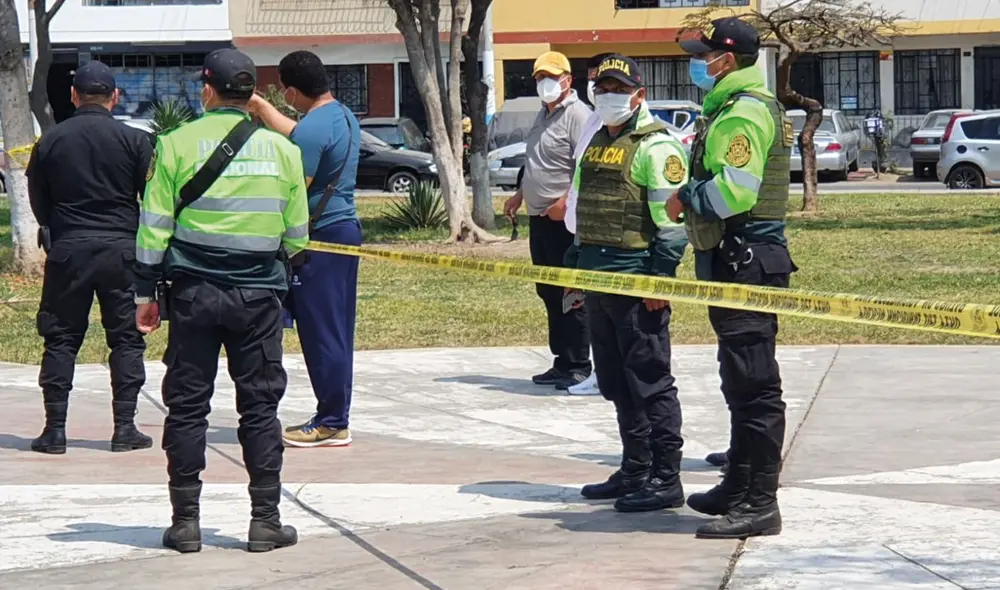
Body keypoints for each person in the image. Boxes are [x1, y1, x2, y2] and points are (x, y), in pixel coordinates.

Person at [134, 48, 310, 553]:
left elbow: (153, 229)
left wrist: (146, 293)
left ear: (206, 90)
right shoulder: (285, 152)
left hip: (192, 295)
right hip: (258, 298)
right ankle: (265, 521)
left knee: (188, 407)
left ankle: (185, 522)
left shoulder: (173, 145)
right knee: (259, 406)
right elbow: (297, 236)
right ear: (252, 93)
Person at [668, 17, 796, 539]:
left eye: (703, 55)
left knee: (755, 383)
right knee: (738, 377)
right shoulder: (732, 106)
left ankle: (760, 503)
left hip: (747, 256)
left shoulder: (742, 113)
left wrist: (687, 198)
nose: (697, 63)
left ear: (728, 59)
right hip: (739, 255)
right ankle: (739, 483)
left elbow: (735, 193)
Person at [569, 54, 690, 513]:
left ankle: (666, 476)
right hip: (598, 281)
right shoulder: (597, 140)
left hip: (637, 282)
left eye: (618, 88)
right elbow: (586, 210)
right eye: (601, 87)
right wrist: (574, 269)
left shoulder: (659, 147)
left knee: (650, 381)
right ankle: (635, 467)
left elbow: (673, 225)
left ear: (639, 95)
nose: (607, 95)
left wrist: (659, 281)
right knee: (617, 382)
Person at [26, 61, 154, 455]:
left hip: (69, 251)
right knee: (127, 340)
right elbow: (149, 201)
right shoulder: (136, 141)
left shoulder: (49, 141)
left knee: (61, 339)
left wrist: (58, 230)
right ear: (114, 97)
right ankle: (125, 428)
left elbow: (38, 201)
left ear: (74, 96)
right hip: (122, 252)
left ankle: (55, 429)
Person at [248, 50, 362, 448]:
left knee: (322, 333)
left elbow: (298, 187)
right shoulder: (340, 115)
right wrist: (262, 108)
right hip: (343, 232)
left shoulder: (314, 128)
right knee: (336, 328)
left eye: (283, 94)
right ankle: (334, 415)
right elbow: (298, 133)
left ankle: (332, 421)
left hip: (321, 239)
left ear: (292, 90)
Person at [503, 51, 593, 391]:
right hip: (538, 219)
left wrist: (566, 202)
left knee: (571, 292)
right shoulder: (543, 115)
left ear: (568, 80)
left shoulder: (578, 116)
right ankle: (562, 360)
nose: (545, 83)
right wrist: (520, 194)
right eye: (540, 77)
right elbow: (536, 161)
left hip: (563, 221)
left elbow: (585, 167)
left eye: (551, 77)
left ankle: (580, 364)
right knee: (548, 291)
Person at [563, 52, 613, 397]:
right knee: (593, 308)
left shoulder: (607, 124)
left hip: (613, 234)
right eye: (594, 81)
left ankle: (606, 372)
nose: (596, 88)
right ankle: (600, 370)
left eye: (605, 82)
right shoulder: (595, 122)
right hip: (585, 230)